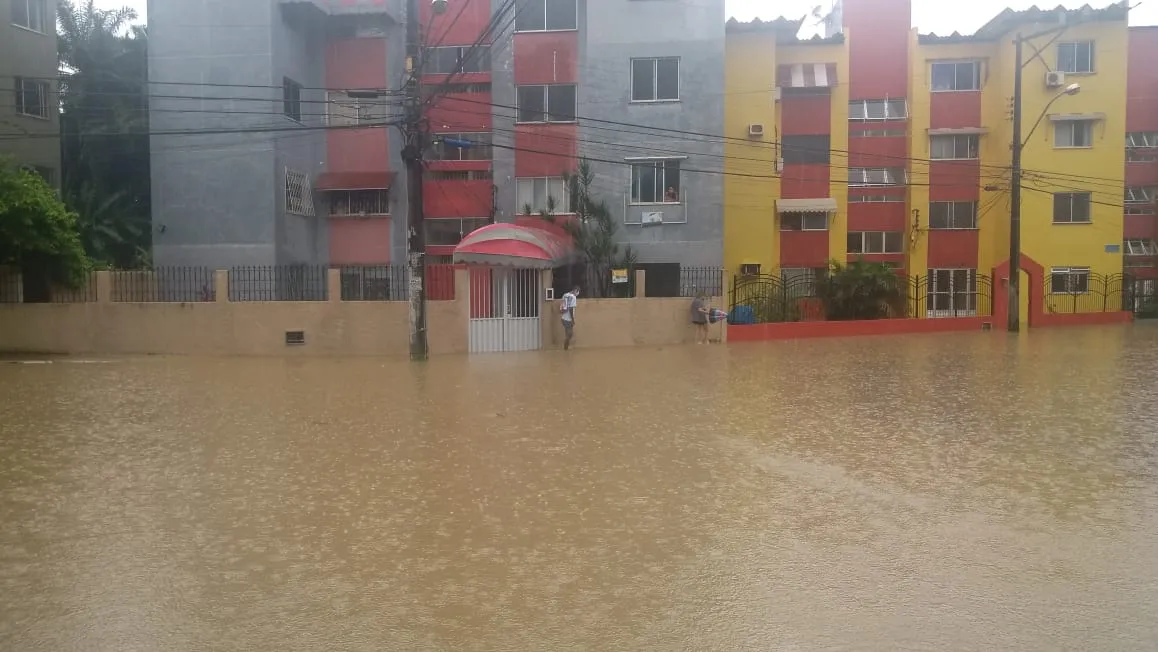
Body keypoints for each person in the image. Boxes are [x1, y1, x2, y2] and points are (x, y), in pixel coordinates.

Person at [560, 285, 579, 350]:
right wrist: (572, 319)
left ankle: (566, 348)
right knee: (570, 334)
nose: (577, 294)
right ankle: (565, 348)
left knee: (568, 334)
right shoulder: (573, 297)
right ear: (575, 290)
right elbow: (571, 308)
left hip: (563, 318)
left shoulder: (565, 295)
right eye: (578, 292)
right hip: (568, 319)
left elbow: (562, 305)